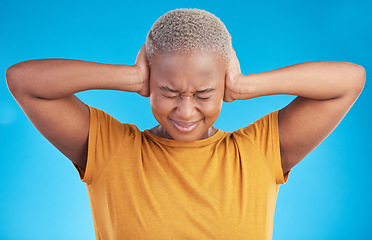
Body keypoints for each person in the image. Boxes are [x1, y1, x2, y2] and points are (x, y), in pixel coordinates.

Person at [6, 8, 365, 240]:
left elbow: (349, 81)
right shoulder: (110, 149)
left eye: (204, 94)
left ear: (222, 85)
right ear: (150, 84)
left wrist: (244, 85)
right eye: (169, 91)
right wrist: (130, 76)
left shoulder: (259, 151)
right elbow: (24, 81)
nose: (186, 110)